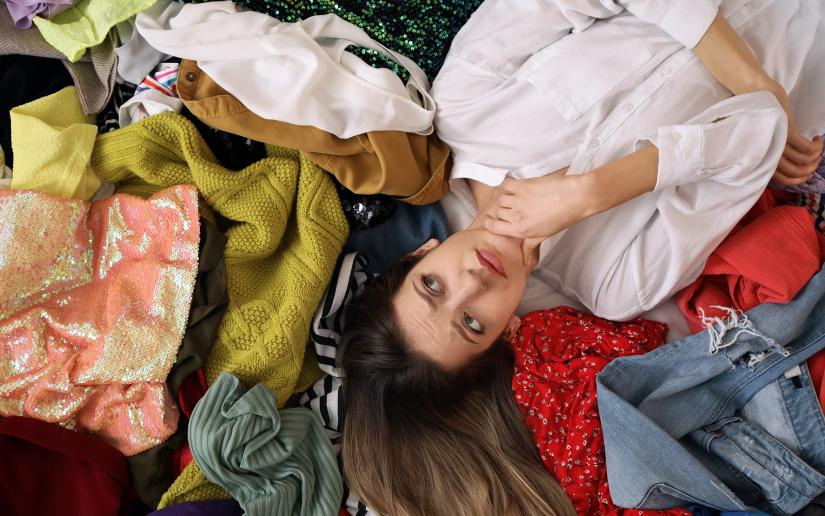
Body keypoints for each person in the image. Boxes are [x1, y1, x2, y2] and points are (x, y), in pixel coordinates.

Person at [341, 1, 825, 514]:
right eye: (470, 322)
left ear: (421, 253)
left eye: (431, 286)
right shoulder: (617, 285)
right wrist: (590, 194)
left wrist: (750, 78)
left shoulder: (464, 108)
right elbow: (760, 129)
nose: (472, 282)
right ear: (507, 333)